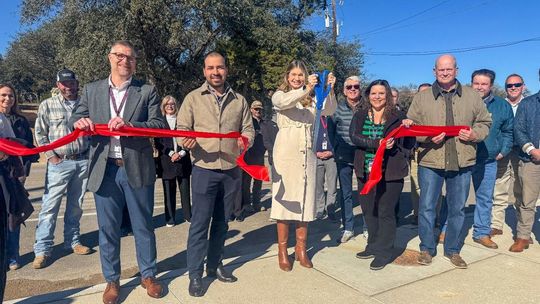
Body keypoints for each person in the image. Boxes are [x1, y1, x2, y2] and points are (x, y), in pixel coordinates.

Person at [70, 40, 167, 303]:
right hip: (105, 170)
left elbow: (158, 125)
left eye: (131, 57)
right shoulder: (92, 90)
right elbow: (75, 118)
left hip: (136, 167)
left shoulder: (146, 91)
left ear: (135, 62)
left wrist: (130, 124)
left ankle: (148, 275)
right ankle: (112, 280)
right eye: (119, 55)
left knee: (143, 226)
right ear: (110, 58)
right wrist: (80, 121)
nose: (125, 60)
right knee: (108, 229)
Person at [177, 51, 254, 297]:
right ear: (204, 71)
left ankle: (215, 265)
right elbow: (181, 129)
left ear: (226, 70)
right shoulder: (192, 98)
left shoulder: (239, 100)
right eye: (210, 68)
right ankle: (195, 274)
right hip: (203, 170)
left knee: (222, 223)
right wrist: (185, 139)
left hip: (231, 171)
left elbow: (248, 129)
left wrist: (246, 141)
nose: (215, 72)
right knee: (199, 224)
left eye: (219, 68)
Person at [405, 54, 491, 269]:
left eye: (449, 69)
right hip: (430, 161)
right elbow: (411, 127)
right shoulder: (422, 98)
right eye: (441, 70)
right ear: (434, 71)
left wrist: (475, 135)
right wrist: (426, 137)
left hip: (462, 161)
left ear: (456, 71)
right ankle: (427, 248)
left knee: (457, 209)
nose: (444, 73)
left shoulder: (472, 96)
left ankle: (452, 249)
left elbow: (485, 122)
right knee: (426, 207)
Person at [271, 60, 336, 272]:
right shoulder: (280, 95)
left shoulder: (312, 98)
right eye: (294, 75)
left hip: (307, 152)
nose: (297, 78)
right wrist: (306, 88)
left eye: (301, 75)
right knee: (284, 201)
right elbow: (284, 104)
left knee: (306, 201)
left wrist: (329, 90)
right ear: (287, 76)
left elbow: (329, 110)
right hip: (286, 152)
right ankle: (282, 250)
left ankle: (301, 248)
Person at [350, 79, 415, 270]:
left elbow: (409, 145)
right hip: (366, 171)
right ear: (368, 95)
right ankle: (372, 245)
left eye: (381, 93)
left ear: (387, 95)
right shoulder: (360, 115)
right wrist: (377, 143)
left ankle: (384, 251)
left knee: (385, 212)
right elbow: (354, 137)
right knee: (369, 210)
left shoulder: (398, 116)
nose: (377, 97)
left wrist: (409, 129)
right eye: (373, 93)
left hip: (391, 172)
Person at [33, 69, 92, 269]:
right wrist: (51, 156)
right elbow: (40, 134)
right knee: (50, 207)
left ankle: (73, 241)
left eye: (72, 83)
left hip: (82, 160)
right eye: (65, 84)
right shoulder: (47, 105)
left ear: (77, 83)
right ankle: (42, 249)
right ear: (58, 85)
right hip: (60, 162)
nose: (69, 87)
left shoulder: (85, 104)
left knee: (76, 205)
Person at [469, 69, 513, 249]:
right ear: (471, 83)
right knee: (456, 198)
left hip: (488, 158)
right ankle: (448, 229)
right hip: (463, 159)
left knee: (485, 198)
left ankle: (481, 232)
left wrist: (503, 151)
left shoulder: (502, 105)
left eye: (484, 84)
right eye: (476, 83)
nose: (479, 87)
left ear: (491, 85)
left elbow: (508, 131)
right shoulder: (461, 102)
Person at [0, 84, 38, 271]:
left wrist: (23, 172)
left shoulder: (19, 121)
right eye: (3, 95)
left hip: (12, 176)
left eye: (11, 96)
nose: (8, 99)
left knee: (13, 215)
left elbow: (28, 149)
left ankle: (12, 256)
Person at [491, 74, 527, 237]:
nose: (513, 88)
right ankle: (496, 224)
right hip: (502, 152)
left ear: (523, 87)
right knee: (499, 187)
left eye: (517, 85)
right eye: (509, 85)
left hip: (523, 152)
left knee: (522, 189)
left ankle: (522, 228)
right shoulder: (500, 104)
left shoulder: (529, 104)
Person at [328, 76, 361, 243]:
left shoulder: (367, 107)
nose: (353, 89)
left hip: (363, 156)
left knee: (366, 193)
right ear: (344, 90)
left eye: (356, 86)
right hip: (343, 156)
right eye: (349, 87)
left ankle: (369, 226)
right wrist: (335, 149)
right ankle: (348, 227)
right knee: (346, 194)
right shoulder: (337, 108)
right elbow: (331, 131)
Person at [510, 69, 540, 252]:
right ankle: (523, 236)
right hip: (532, 160)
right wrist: (532, 150)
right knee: (527, 200)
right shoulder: (528, 104)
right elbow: (518, 130)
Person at [155, 95, 192, 227]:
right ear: (163, 107)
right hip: (167, 162)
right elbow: (158, 142)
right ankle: (170, 219)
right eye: (167, 104)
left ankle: (188, 216)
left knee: (185, 191)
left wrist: (181, 153)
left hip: (183, 160)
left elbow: (189, 138)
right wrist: (171, 153)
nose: (170, 106)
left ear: (176, 106)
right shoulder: (160, 122)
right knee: (168, 192)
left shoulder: (183, 121)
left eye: (172, 104)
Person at [234, 100, 266, 220]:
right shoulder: (247, 123)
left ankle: (257, 203)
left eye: (260, 109)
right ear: (251, 110)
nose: (258, 111)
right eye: (256, 109)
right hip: (248, 156)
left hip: (260, 156)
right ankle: (246, 205)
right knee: (245, 183)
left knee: (258, 182)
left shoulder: (264, 123)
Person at [409, 83, 433, 225]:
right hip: (416, 152)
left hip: (432, 152)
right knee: (416, 186)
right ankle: (418, 215)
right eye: (421, 93)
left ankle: (433, 217)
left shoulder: (436, 111)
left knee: (432, 187)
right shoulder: (413, 112)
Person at [314, 115, 337, 221]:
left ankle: (331, 209)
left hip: (331, 157)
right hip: (317, 156)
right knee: (318, 185)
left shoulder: (333, 119)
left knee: (332, 185)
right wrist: (315, 152)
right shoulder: (315, 119)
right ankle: (320, 209)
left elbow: (338, 137)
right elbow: (309, 137)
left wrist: (332, 151)